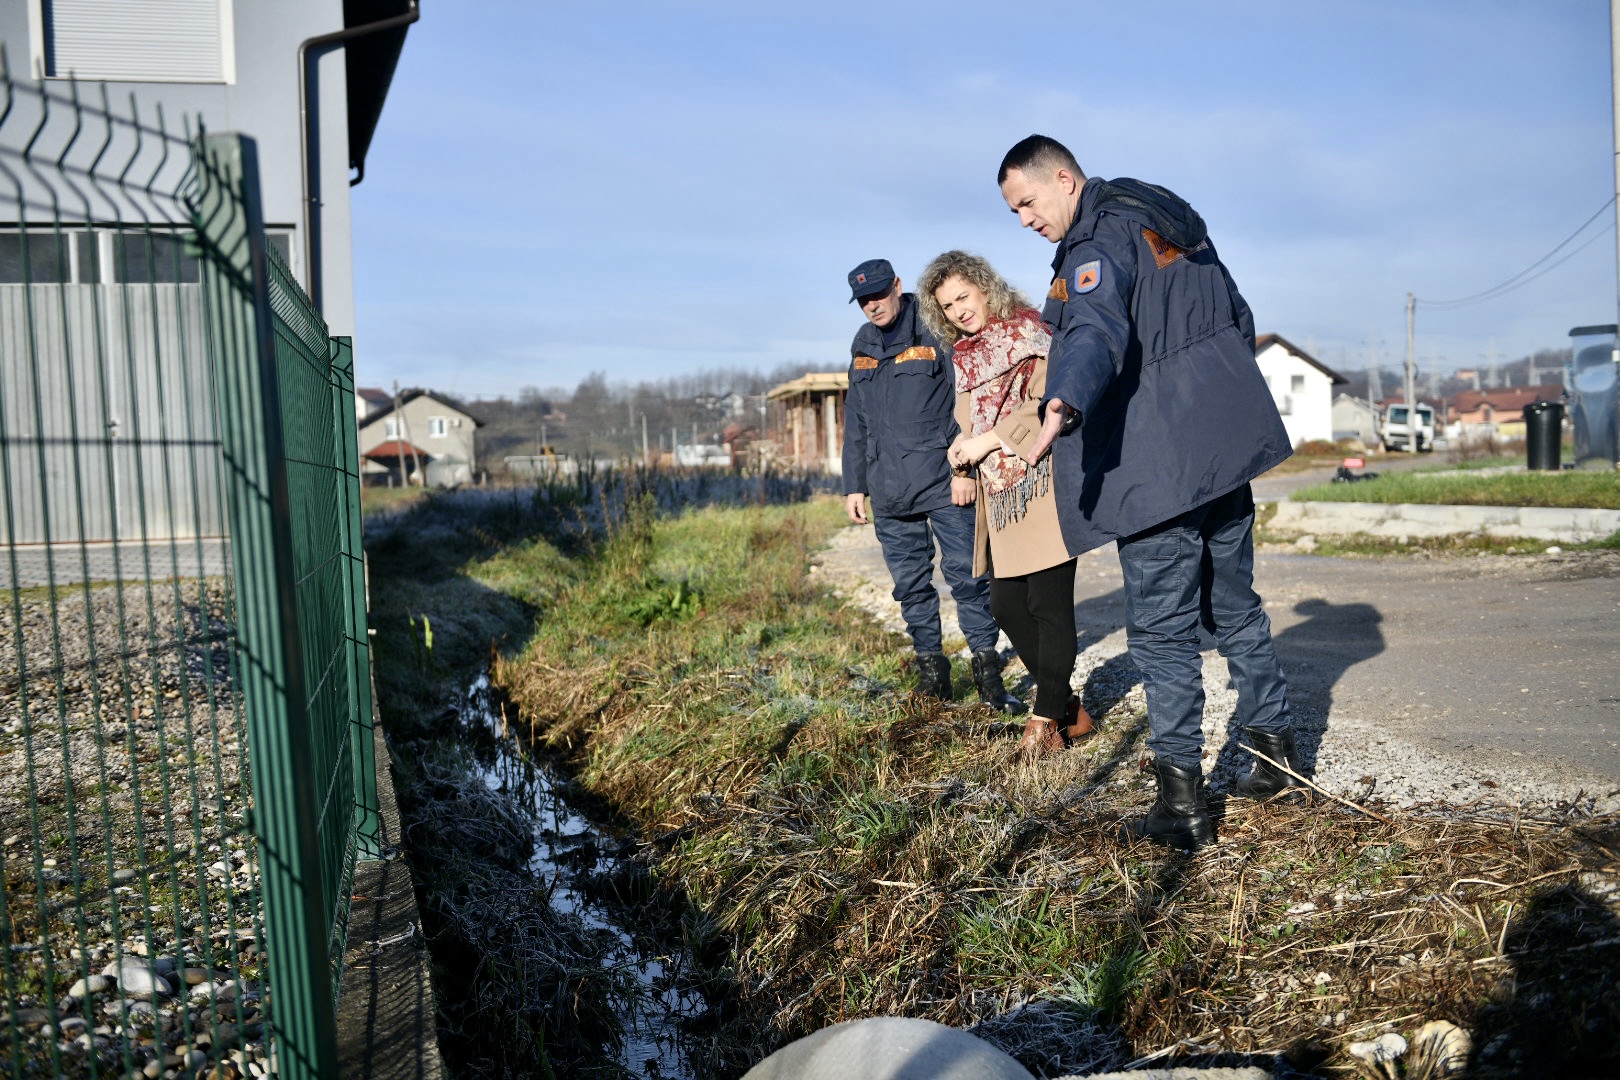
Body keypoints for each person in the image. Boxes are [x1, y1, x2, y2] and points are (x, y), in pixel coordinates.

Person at [996, 135, 1306, 849]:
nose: (1024, 220)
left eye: (1027, 203)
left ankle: (1181, 800)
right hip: (1223, 447)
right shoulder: (1168, 218)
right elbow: (1239, 316)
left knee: (1163, 635)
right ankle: (1273, 751)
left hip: (1157, 461)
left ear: (1064, 180)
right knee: (1234, 604)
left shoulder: (1096, 240)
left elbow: (1094, 330)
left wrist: (1061, 404)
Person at [916, 250, 1095, 759]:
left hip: (1043, 481)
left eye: (963, 297)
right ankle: (1068, 708)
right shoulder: (967, 355)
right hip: (999, 494)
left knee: (1048, 604)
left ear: (984, 288)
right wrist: (961, 457)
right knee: (1005, 604)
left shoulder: (1030, 332)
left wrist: (987, 442)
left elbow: (1047, 408)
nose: (958, 311)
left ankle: (1044, 721)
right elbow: (968, 423)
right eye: (948, 306)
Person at [841, 258, 1024, 715]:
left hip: (944, 483)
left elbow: (965, 405)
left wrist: (963, 474)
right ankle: (933, 676)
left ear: (898, 286)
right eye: (863, 300)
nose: (872, 306)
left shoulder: (932, 328)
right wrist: (854, 486)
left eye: (879, 295)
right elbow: (856, 423)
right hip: (889, 488)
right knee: (910, 587)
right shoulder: (862, 345)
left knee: (969, 580)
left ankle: (987, 676)